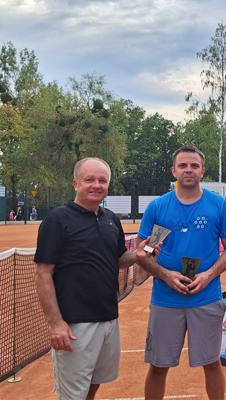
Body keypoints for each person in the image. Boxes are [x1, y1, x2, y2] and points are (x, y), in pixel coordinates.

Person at [34, 157, 160, 400]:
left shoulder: (111, 219)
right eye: (89, 179)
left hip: (108, 318)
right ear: (75, 183)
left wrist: (137, 254)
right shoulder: (57, 219)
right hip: (74, 324)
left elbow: (118, 260)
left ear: (108, 186)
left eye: (102, 180)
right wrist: (55, 323)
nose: (96, 185)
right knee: (73, 395)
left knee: (94, 384)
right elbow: (43, 273)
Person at [135, 144, 226, 400]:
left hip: (207, 298)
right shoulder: (158, 207)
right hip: (165, 299)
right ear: (174, 171)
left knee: (212, 363)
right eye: (183, 165)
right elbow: (142, 252)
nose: (188, 170)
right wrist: (166, 275)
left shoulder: (218, 204)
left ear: (202, 171)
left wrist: (209, 275)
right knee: (158, 367)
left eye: (193, 166)